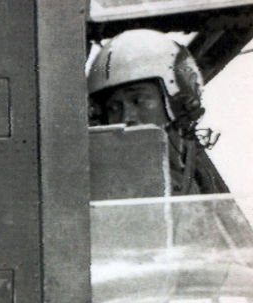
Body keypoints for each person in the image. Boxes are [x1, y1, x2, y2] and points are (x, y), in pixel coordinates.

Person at [87, 28, 228, 195]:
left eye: (138, 101)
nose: (126, 118)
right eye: (114, 108)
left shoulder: (195, 166)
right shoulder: (109, 183)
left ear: (176, 101)